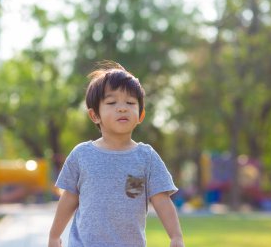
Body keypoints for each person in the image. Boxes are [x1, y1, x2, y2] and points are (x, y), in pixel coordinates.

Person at [48, 61, 185, 247]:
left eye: (130, 102)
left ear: (141, 115)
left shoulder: (146, 157)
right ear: (95, 115)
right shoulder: (82, 155)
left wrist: (176, 236)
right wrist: (54, 236)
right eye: (112, 102)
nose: (122, 108)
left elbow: (161, 199)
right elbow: (69, 197)